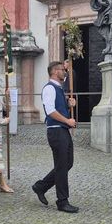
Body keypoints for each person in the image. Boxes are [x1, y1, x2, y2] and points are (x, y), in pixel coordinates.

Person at [32, 61, 79, 213]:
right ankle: (62, 201)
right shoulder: (49, 88)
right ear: (54, 72)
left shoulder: (59, 88)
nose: (65, 72)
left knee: (67, 163)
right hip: (56, 131)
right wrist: (67, 121)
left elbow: (58, 107)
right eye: (62, 70)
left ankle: (41, 186)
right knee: (62, 165)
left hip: (62, 130)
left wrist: (68, 103)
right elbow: (50, 111)